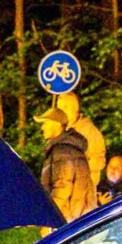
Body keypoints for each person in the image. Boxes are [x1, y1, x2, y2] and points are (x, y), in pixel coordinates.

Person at [36, 94, 105, 223]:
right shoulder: (65, 136)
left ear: (73, 108)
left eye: (63, 108)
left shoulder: (89, 133)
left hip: (74, 211)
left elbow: (65, 184)